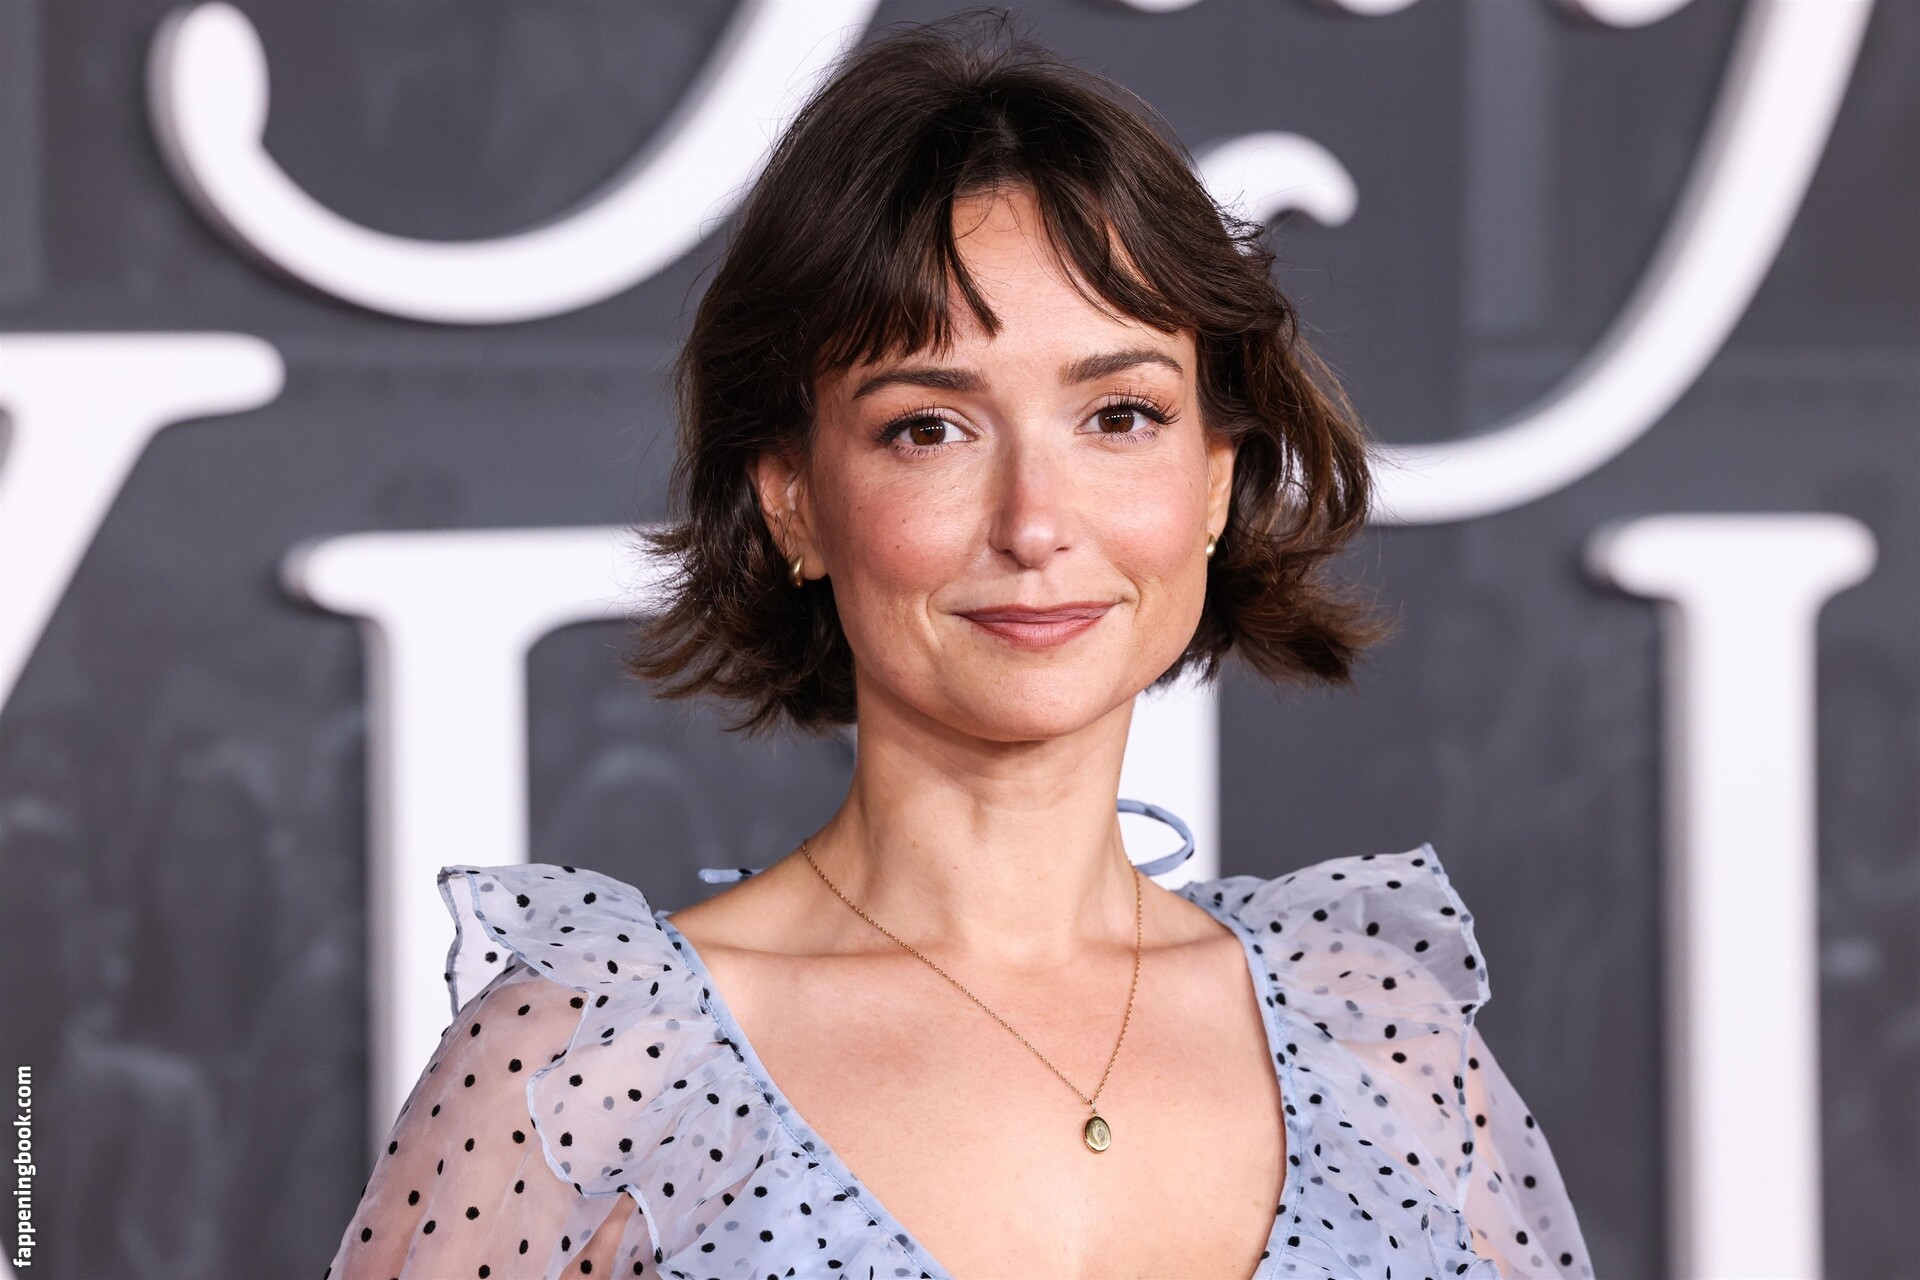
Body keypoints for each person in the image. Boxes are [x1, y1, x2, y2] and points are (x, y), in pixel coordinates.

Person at [326, 12, 1591, 1279]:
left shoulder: (1386, 1050)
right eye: (929, 428)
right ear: (792, 499)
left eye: (1120, 414)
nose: (1035, 523)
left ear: (1214, 477)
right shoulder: (588, 1072)